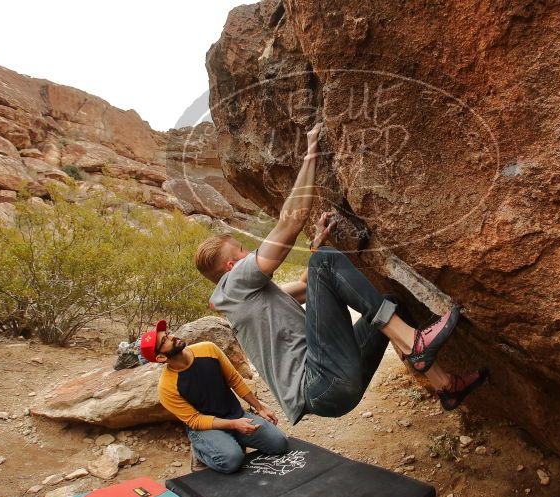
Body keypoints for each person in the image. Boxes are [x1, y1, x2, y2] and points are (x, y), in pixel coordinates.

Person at [194, 123, 488, 426]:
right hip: (321, 384)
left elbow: (308, 289)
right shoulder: (234, 284)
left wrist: (316, 244)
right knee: (325, 262)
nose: (248, 255)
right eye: (241, 252)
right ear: (231, 268)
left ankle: (446, 387)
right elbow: (289, 224)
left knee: (390, 302)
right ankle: (413, 343)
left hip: (332, 386)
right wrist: (311, 154)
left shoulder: (248, 300)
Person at [139, 320, 288, 473]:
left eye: (168, 334)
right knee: (232, 461)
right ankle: (201, 453)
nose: (172, 337)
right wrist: (234, 425)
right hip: (205, 429)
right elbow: (195, 420)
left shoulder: (207, 349)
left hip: (235, 415)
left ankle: (231, 441)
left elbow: (234, 380)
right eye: (164, 341)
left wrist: (260, 408)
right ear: (161, 358)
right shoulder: (167, 387)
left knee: (279, 444)